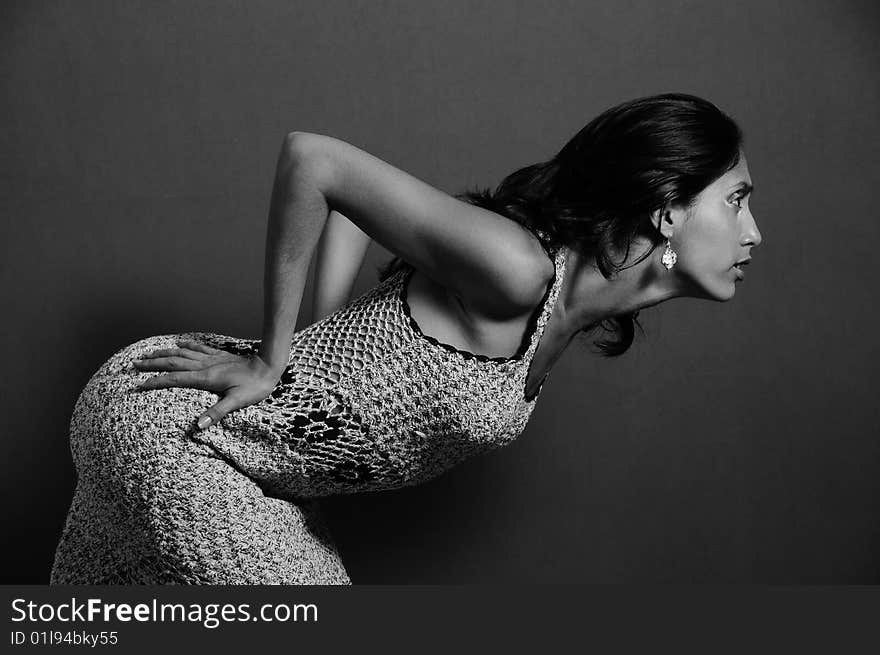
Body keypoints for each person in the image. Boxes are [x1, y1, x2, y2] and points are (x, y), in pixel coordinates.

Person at [50, 93, 761, 584]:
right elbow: (314, 161)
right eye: (737, 200)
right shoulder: (518, 267)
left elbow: (359, 213)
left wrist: (306, 344)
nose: (753, 232)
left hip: (226, 454)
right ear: (668, 210)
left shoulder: (553, 308)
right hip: (173, 424)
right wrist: (274, 357)